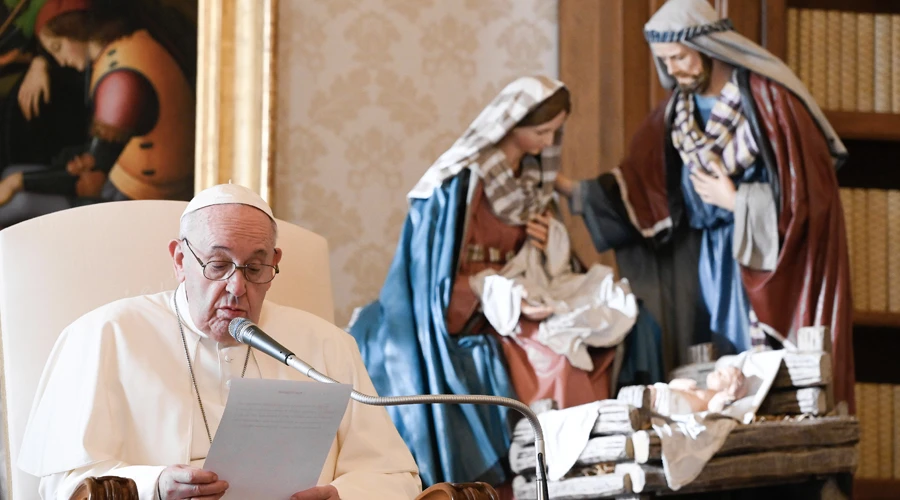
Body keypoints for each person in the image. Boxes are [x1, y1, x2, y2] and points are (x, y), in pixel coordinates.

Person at [349, 75, 663, 490]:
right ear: (511, 126)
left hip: (528, 292)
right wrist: (502, 294)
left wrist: (548, 243)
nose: (549, 141)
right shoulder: (461, 184)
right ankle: (559, 476)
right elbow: (438, 280)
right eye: (541, 131)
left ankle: (609, 461)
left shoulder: (534, 180)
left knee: (625, 324)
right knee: (559, 357)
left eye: (556, 131)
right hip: (477, 306)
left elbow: (552, 261)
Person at [17, 183, 422, 500]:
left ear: (274, 264)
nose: (237, 287)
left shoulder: (325, 345)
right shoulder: (106, 335)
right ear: (180, 261)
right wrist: (155, 486)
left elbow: (393, 475)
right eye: (218, 264)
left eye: (255, 267)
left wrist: (341, 496)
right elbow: (62, 485)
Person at [554, 0, 854, 412]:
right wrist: (574, 190)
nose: (673, 69)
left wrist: (738, 201)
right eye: (665, 61)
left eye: (679, 57)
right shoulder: (677, 111)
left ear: (709, 46)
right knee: (711, 353)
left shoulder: (770, 103)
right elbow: (641, 185)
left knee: (754, 355)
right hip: (704, 256)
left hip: (761, 254)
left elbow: (810, 199)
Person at [0, 0, 195, 228]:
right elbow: (100, 154)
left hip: (139, 202)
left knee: (18, 201)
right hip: (124, 180)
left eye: (57, 47)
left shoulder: (120, 80)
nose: (60, 60)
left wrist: (18, 183)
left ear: (76, 29)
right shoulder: (125, 46)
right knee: (12, 174)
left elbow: (93, 179)